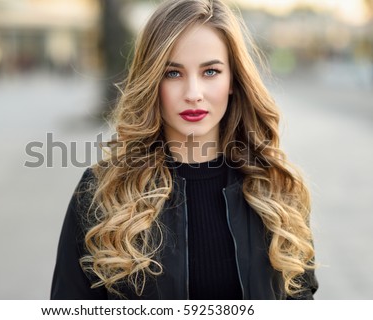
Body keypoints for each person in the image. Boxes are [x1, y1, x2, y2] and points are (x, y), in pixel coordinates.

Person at [51, 0, 318, 300]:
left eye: (211, 72)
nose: (193, 94)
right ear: (152, 80)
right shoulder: (101, 193)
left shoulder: (279, 191)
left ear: (233, 80)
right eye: (173, 73)